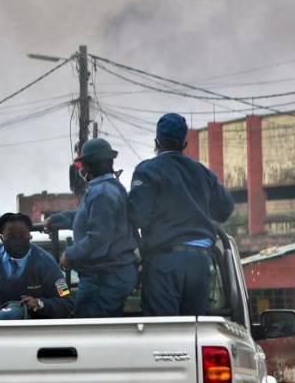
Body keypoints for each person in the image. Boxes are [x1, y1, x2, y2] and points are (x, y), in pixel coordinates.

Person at [128, 113, 236, 316]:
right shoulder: (203, 173)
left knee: (164, 329)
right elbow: (225, 209)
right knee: (194, 328)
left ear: (157, 142)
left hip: (164, 263)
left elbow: (137, 216)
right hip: (200, 265)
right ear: (184, 144)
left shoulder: (147, 171)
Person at [48, 138, 139, 317]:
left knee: (91, 327)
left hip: (105, 277)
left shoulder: (102, 193)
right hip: (107, 275)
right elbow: (85, 218)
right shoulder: (106, 189)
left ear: (88, 167)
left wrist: (70, 254)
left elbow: (98, 237)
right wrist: (56, 219)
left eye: (81, 165)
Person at [0, 212, 74, 321]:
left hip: (37, 327)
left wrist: (39, 303)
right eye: (11, 235)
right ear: (2, 238)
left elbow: (67, 303)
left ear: (29, 236)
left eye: (22, 234)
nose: (17, 240)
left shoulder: (47, 263)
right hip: (2, 323)